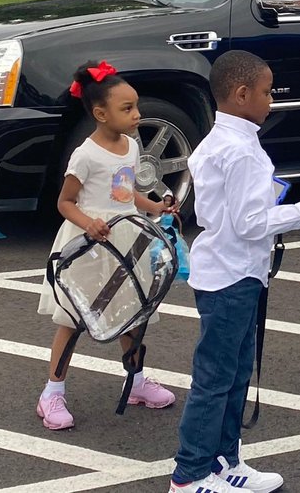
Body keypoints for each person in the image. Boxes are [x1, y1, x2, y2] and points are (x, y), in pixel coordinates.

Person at [169, 50, 300, 493]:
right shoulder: (239, 151)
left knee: (234, 373)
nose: (271, 99)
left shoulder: (226, 140)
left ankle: (223, 460)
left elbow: (242, 215)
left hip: (232, 272)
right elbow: (250, 223)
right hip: (232, 276)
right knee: (216, 379)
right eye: (266, 91)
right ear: (241, 95)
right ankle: (190, 474)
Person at [36, 60, 177, 431]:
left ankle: (137, 381)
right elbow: (65, 203)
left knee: (132, 313)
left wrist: (156, 206)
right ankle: (52, 392)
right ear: (100, 113)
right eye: (126, 108)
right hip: (87, 246)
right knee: (74, 318)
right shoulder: (85, 155)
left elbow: (127, 195)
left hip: (125, 242)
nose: (136, 114)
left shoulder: (131, 147)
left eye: (136, 107)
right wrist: (89, 223)